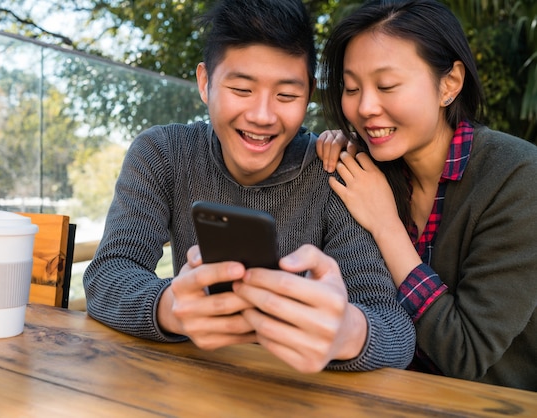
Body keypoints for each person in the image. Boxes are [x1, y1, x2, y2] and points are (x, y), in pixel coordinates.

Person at [83, 0, 415, 373]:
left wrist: (348, 333)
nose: (261, 116)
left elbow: (394, 331)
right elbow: (108, 273)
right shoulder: (163, 154)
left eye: (286, 96)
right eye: (242, 89)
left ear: (308, 96)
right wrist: (170, 308)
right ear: (206, 83)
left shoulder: (334, 172)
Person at [316, 0, 537, 390]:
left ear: (449, 84)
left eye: (387, 86)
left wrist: (386, 226)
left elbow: (465, 353)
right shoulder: (368, 170)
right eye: (352, 88)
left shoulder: (517, 177)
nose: (365, 107)